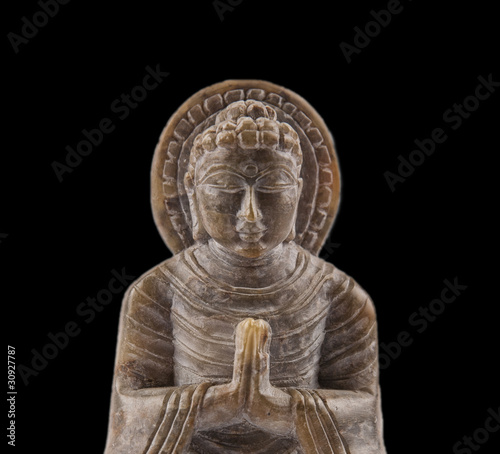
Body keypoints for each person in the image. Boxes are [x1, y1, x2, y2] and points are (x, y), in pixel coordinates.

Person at [104, 98, 386, 453]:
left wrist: (282, 409)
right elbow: (130, 411)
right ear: (192, 190)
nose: (250, 214)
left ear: (299, 190)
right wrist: (218, 404)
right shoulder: (157, 291)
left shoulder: (338, 295)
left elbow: (363, 414)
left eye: (272, 188)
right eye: (225, 188)